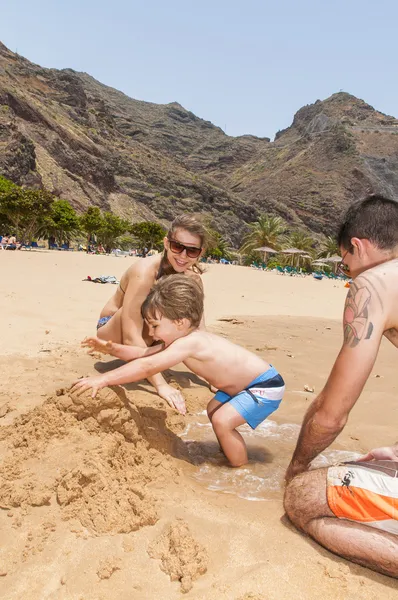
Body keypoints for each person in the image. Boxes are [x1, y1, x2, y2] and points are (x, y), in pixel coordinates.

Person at [284, 194, 398, 578]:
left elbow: (332, 415)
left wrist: (297, 467)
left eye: (344, 261)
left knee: (303, 497)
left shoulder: (374, 284)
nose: (346, 271)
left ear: (358, 246)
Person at [72, 275, 285, 467]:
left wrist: (104, 380)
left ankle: (240, 469)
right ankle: (229, 449)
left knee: (222, 421)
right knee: (213, 411)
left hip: (263, 386)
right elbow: (144, 354)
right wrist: (111, 348)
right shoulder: (181, 339)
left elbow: (148, 365)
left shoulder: (191, 343)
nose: (152, 333)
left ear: (180, 322)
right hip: (243, 386)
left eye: (155, 326)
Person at [95, 214, 207, 413]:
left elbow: (199, 332)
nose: (182, 256)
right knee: (146, 312)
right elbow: (130, 335)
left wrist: (210, 376)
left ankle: (150, 350)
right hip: (113, 327)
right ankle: (149, 359)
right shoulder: (145, 272)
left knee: (186, 322)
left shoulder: (193, 280)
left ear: (200, 253)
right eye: (177, 247)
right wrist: (161, 385)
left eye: (191, 251)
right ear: (166, 243)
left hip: (151, 330)